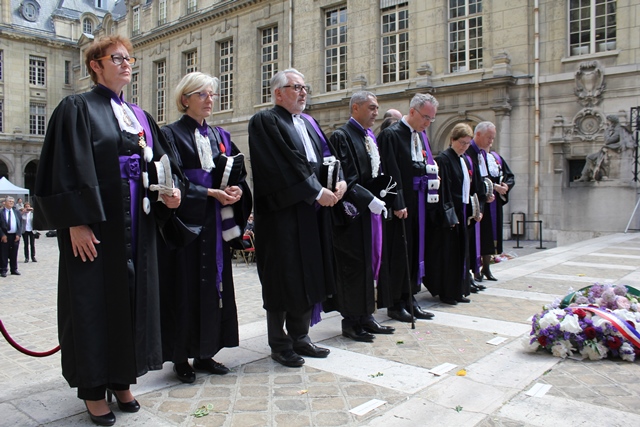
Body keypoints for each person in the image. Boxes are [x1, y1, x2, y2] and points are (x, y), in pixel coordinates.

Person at [33, 35, 182, 427]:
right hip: (99, 226)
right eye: (117, 58)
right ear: (95, 65)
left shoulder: (140, 115)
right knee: (94, 304)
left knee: (134, 300)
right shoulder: (76, 108)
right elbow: (65, 167)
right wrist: (75, 223)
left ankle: (122, 378)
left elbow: (163, 162)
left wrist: (171, 191)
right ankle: (93, 389)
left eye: (129, 58)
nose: (126, 63)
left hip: (140, 222)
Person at [248, 68, 346, 368]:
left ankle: (301, 336)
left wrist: (339, 181)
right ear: (278, 93)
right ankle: (280, 343)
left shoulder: (309, 123)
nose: (303, 92)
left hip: (310, 213)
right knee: (282, 277)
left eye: (305, 87)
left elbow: (327, 158)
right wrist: (316, 193)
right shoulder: (265, 121)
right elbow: (282, 165)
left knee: (309, 274)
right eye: (296, 87)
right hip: (282, 215)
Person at [158, 72, 252, 384]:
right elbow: (173, 179)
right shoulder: (170, 134)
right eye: (202, 94)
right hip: (187, 227)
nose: (209, 100)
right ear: (185, 99)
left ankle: (206, 351)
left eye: (211, 94)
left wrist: (237, 191)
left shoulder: (220, 136)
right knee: (183, 289)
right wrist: (210, 193)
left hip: (214, 228)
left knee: (214, 288)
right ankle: (180, 356)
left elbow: (236, 174)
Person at [328, 91, 394, 342]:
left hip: (369, 212)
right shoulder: (342, 136)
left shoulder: (368, 137)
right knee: (352, 267)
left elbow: (375, 174)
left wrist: (386, 195)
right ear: (355, 108)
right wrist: (369, 200)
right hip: (350, 214)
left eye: (377, 108)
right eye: (371, 108)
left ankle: (366, 314)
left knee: (368, 264)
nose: (376, 113)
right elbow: (346, 176)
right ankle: (351, 320)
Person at [378, 93, 437, 323]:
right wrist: (398, 202)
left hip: (418, 201)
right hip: (400, 205)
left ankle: (410, 297)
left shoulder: (420, 136)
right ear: (412, 111)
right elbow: (389, 171)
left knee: (414, 251)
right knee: (398, 254)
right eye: (425, 117)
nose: (428, 123)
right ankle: (395, 303)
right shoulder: (391, 135)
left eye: (431, 119)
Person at [425, 124, 482, 304]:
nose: (464, 146)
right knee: (449, 255)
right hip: (450, 214)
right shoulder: (443, 159)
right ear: (452, 140)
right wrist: (448, 215)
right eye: (462, 143)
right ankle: (447, 292)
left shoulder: (463, 159)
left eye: (467, 143)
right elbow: (443, 191)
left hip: (463, 211)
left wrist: (475, 210)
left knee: (460, 253)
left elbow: (469, 187)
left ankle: (459, 290)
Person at [465, 121, 498, 284]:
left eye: (493, 138)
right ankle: (473, 272)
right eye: (488, 137)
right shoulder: (469, 152)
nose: (491, 141)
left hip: (482, 200)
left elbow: (484, 178)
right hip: (472, 202)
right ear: (477, 135)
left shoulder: (482, 154)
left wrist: (488, 192)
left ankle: (484, 268)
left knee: (485, 236)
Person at [576, 115, 634, 182]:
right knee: (590, 157)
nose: (607, 123)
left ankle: (587, 176)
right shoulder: (617, 129)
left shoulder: (618, 129)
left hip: (611, 150)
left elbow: (608, 141)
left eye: (608, 122)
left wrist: (607, 131)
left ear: (612, 122)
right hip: (609, 150)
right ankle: (586, 175)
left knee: (590, 157)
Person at [0, 196, 23, 277]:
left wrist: (18, 234)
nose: (11, 203)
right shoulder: (1, 212)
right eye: (9, 201)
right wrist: (2, 235)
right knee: (4, 253)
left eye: (12, 202)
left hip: (14, 236)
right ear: (5, 202)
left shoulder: (16, 212)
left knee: (14, 253)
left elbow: (20, 224)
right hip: (5, 235)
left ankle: (14, 269)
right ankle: (3, 269)